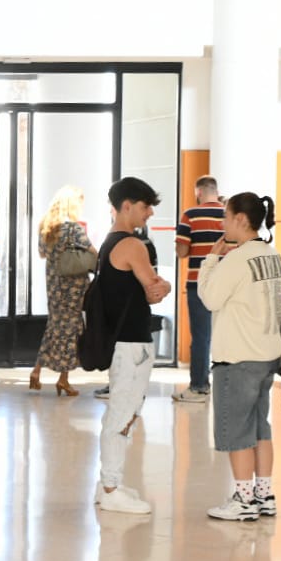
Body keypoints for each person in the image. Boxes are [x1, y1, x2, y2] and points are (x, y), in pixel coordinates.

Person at [197, 192, 281, 521]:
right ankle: (265, 495)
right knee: (260, 428)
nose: (222, 223)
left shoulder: (237, 258)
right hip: (266, 356)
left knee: (236, 431)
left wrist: (210, 260)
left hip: (238, 357)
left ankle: (243, 500)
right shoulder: (272, 255)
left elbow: (209, 298)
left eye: (225, 216)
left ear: (239, 220)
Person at [93, 178, 173, 514]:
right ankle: (111, 488)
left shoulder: (109, 242)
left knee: (121, 411)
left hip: (121, 341)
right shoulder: (132, 245)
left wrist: (156, 284)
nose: (150, 212)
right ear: (126, 206)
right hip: (131, 343)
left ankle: (108, 483)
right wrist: (164, 283)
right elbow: (154, 289)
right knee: (123, 413)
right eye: (144, 206)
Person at [30, 187, 95, 397]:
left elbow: (42, 253)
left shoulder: (46, 227)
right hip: (73, 285)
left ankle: (37, 371)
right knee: (72, 328)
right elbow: (93, 252)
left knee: (54, 325)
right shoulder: (73, 229)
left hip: (53, 283)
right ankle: (63, 379)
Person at [174, 175, 223, 404]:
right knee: (227, 335)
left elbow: (182, 252)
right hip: (227, 284)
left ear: (199, 192)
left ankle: (199, 386)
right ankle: (227, 385)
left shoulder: (190, 215)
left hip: (198, 284)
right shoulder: (230, 215)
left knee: (201, 337)